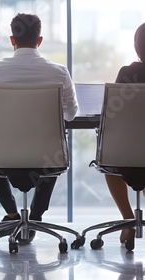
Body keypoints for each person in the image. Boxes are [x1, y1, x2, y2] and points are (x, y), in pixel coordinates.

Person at [0, 13, 79, 241]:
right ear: (39, 41)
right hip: (45, 159)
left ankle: (12, 214)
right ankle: (37, 216)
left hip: (1, 157)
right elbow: (70, 115)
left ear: (12, 40)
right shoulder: (59, 72)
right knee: (55, 143)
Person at [105, 22, 145, 244]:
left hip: (126, 155)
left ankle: (128, 219)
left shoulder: (127, 73)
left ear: (137, 47)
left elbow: (113, 114)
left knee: (110, 163)